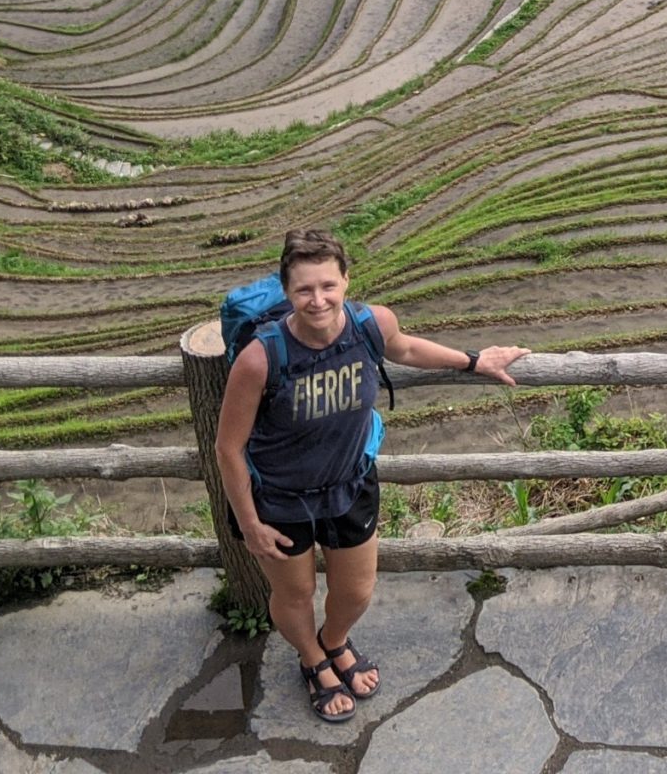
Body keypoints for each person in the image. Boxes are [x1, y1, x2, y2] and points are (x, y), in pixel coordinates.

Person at [214, 228, 531, 723]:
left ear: (346, 280)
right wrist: (250, 525)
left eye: (328, 285)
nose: (318, 299)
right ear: (287, 290)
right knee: (295, 594)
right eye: (303, 289)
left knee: (357, 590)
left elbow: (407, 350)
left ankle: (334, 640)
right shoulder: (260, 358)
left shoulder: (370, 325)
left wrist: (474, 361)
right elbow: (228, 448)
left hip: (350, 482)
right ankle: (312, 660)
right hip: (280, 498)